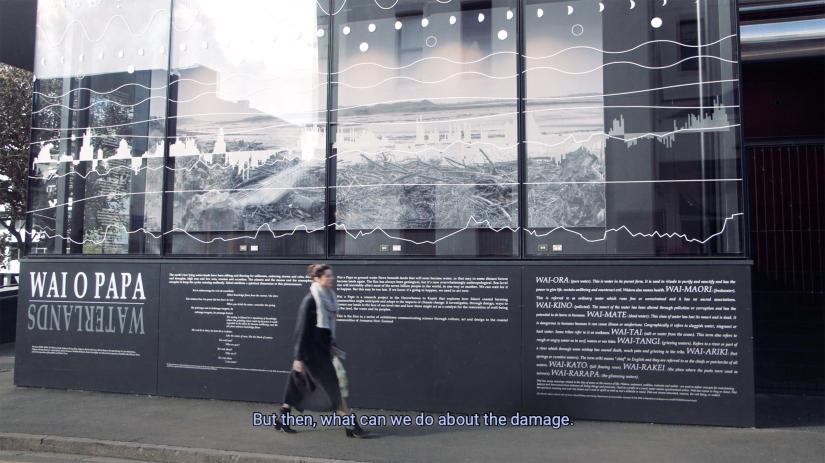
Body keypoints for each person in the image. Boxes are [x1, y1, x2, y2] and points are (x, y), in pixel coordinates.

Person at [274, 264, 368, 438]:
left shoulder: (329, 298)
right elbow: (301, 330)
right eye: (327, 276)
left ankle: (282, 419)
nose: (331, 278)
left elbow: (326, 329)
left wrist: (331, 344)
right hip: (311, 355)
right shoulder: (310, 300)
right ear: (317, 278)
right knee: (334, 391)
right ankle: (352, 426)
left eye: (331, 275)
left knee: (296, 384)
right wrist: (299, 357)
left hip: (322, 352)